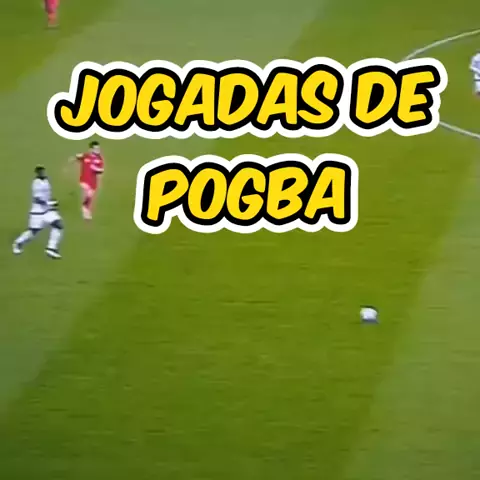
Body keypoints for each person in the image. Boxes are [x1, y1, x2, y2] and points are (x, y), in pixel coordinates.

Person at [12, 165, 64, 259]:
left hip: (47, 211)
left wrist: (52, 201)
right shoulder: (36, 183)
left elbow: (47, 195)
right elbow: (37, 199)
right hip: (37, 212)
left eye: (43, 171)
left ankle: (51, 248)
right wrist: (49, 203)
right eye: (40, 171)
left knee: (59, 225)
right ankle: (18, 243)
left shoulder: (46, 180)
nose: (42, 172)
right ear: (37, 173)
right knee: (33, 232)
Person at [71, 141, 105, 221]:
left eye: (98, 148)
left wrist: (95, 168)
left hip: (93, 182)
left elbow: (101, 170)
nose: (98, 150)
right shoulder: (86, 156)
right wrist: (74, 159)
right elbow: (77, 157)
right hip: (84, 181)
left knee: (89, 197)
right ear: (91, 149)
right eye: (96, 148)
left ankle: (85, 209)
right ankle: (85, 212)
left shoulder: (99, 159)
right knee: (87, 194)